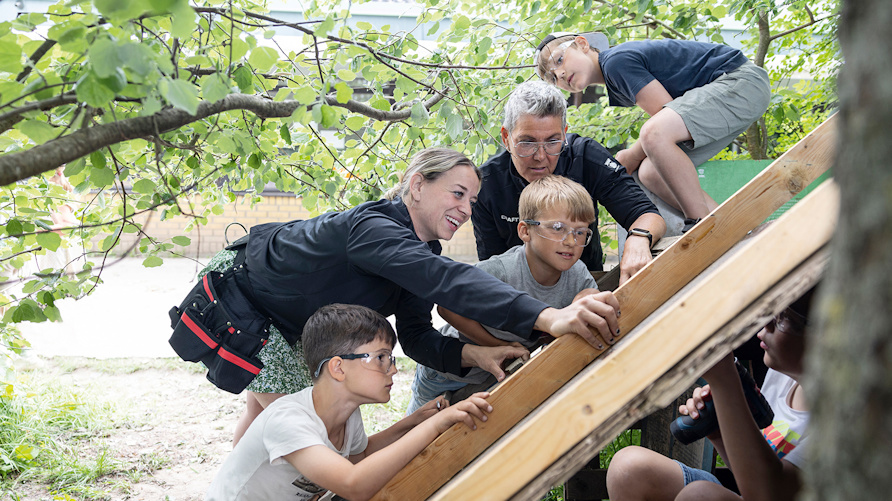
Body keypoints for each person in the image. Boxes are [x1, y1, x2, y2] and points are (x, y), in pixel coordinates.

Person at [186, 148, 621, 445]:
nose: (466, 209)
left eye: (472, 200)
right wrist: (547, 317)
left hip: (291, 323)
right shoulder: (375, 228)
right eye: (457, 193)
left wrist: (476, 353)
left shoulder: (421, 252)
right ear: (416, 186)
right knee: (315, 432)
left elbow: (415, 336)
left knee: (263, 417)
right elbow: (447, 280)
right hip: (243, 298)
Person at [206, 303, 494, 501]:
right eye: (381, 358)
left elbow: (360, 455)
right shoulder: (289, 420)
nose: (393, 369)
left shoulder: (347, 412)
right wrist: (436, 425)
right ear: (338, 368)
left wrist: (414, 421)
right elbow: (354, 484)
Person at [407, 175, 610, 413]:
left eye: (581, 232)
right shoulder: (501, 270)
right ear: (525, 231)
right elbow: (447, 307)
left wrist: (582, 300)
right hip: (447, 371)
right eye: (558, 228)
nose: (571, 241)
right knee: (420, 425)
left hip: (496, 375)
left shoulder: (577, 272)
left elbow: (587, 292)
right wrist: (499, 346)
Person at [535, 33, 771, 231]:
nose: (560, 74)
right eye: (553, 78)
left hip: (740, 81)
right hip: (735, 95)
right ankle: (729, 226)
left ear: (582, 44)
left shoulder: (615, 62)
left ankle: (701, 224)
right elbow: (668, 121)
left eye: (559, 60)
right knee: (652, 172)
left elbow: (661, 116)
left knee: (653, 134)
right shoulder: (614, 76)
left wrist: (630, 155)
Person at [605, 286, 817, 500]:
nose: (766, 324)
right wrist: (717, 433)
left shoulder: (836, 425)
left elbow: (768, 494)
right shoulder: (783, 376)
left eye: (784, 318)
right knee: (628, 469)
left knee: (699, 496)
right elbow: (752, 474)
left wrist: (724, 379)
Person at [472, 81, 665, 283]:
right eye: (527, 142)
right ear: (506, 137)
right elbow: (493, 269)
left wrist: (638, 239)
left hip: (588, 283)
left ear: (564, 133)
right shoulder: (486, 185)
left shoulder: (585, 157)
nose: (540, 156)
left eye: (552, 141)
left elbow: (648, 215)